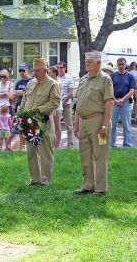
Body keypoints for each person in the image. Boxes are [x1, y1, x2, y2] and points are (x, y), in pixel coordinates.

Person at [74, 51, 114, 195]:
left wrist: (104, 125)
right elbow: (79, 102)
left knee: (100, 155)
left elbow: (109, 102)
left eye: (89, 62)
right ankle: (87, 185)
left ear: (98, 63)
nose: (86, 64)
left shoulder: (105, 79)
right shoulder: (83, 79)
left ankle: (100, 188)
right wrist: (76, 122)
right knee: (85, 155)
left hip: (98, 121)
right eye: (86, 61)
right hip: (83, 121)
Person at [20, 58, 60, 185]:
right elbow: (24, 100)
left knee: (45, 153)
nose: (35, 73)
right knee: (30, 151)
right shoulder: (31, 83)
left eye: (38, 70)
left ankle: (45, 179)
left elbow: (54, 102)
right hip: (28, 121)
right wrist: (21, 115)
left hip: (43, 122)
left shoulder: (52, 84)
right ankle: (35, 179)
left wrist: (39, 109)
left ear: (45, 70)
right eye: (34, 70)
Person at [109, 57, 136, 148]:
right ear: (117, 65)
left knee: (126, 125)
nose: (121, 66)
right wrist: (116, 100)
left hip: (126, 103)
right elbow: (109, 90)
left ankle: (127, 145)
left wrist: (122, 100)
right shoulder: (112, 76)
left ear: (125, 65)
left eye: (123, 64)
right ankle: (111, 144)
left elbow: (132, 91)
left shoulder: (130, 76)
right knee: (112, 125)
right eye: (119, 64)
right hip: (114, 103)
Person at [7, 63, 32, 150]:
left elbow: (31, 93)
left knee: (29, 127)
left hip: (29, 107)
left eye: (23, 70)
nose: (21, 72)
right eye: (20, 71)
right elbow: (12, 96)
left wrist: (21, 92)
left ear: (27, 70)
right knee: (20, 127)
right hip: (19, 107)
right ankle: (21, 146)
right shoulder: (18, 82)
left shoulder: (32, 81)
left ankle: (27, 145)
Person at [0, 69, 13, 149]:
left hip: (7, 106)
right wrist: (4, 94)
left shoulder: (10, 84)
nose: (2, 78)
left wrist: (0, 94)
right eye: (1, 76)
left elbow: (10, 95)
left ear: (7, 77)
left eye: (4, 77)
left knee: (7, 125)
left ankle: (8, 144)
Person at [57, 61, 74, 148]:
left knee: (69, 125)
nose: (59, 69)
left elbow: (71, 93)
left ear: (65, 68)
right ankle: (56, 144)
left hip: (66, 104)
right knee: (56, 125)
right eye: (58, 68)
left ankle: (70, 144)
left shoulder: (69, 78)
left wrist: (62, 102)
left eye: (61, 68)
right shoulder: (55, 78)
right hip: (56, 105)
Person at [48, 66, 63, 148]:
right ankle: (52, 145)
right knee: (51, 127)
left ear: (54, 73)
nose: (48, 74)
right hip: (51, 108)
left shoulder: (58, 83)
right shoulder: (51, 82)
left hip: (57, 108)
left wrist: (54, 109)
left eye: (49, 72)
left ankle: (56, 146)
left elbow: (56, 97)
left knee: (57, 126)